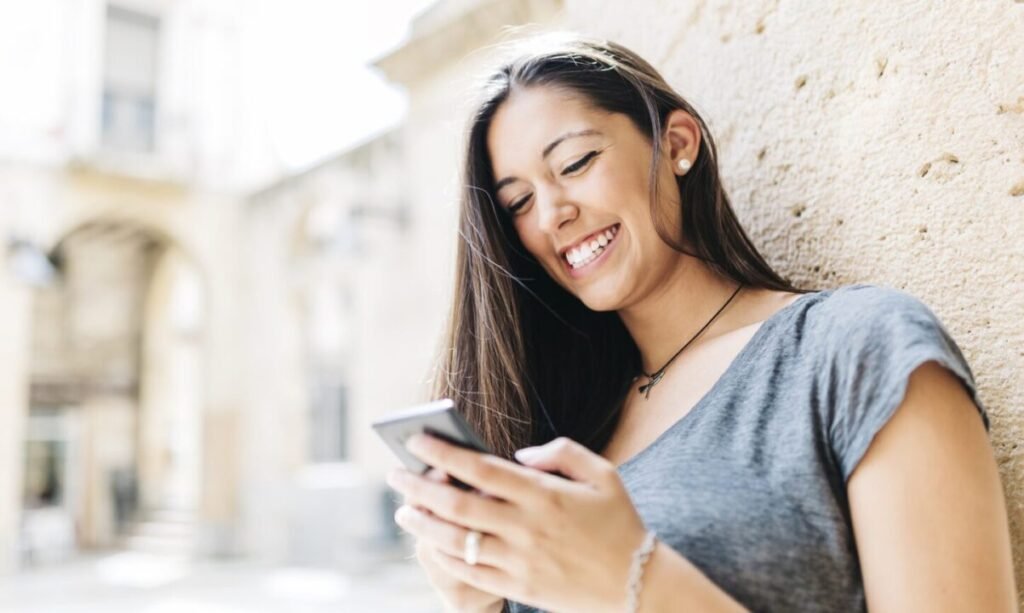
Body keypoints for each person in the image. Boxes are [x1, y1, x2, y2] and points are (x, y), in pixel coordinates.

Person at [385, 32, 1017, 612]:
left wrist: (634, 579)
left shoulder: (852, 350)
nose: (552, 214)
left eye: (575, 163)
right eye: (519, 202)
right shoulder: (558, 431)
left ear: (678, 144)